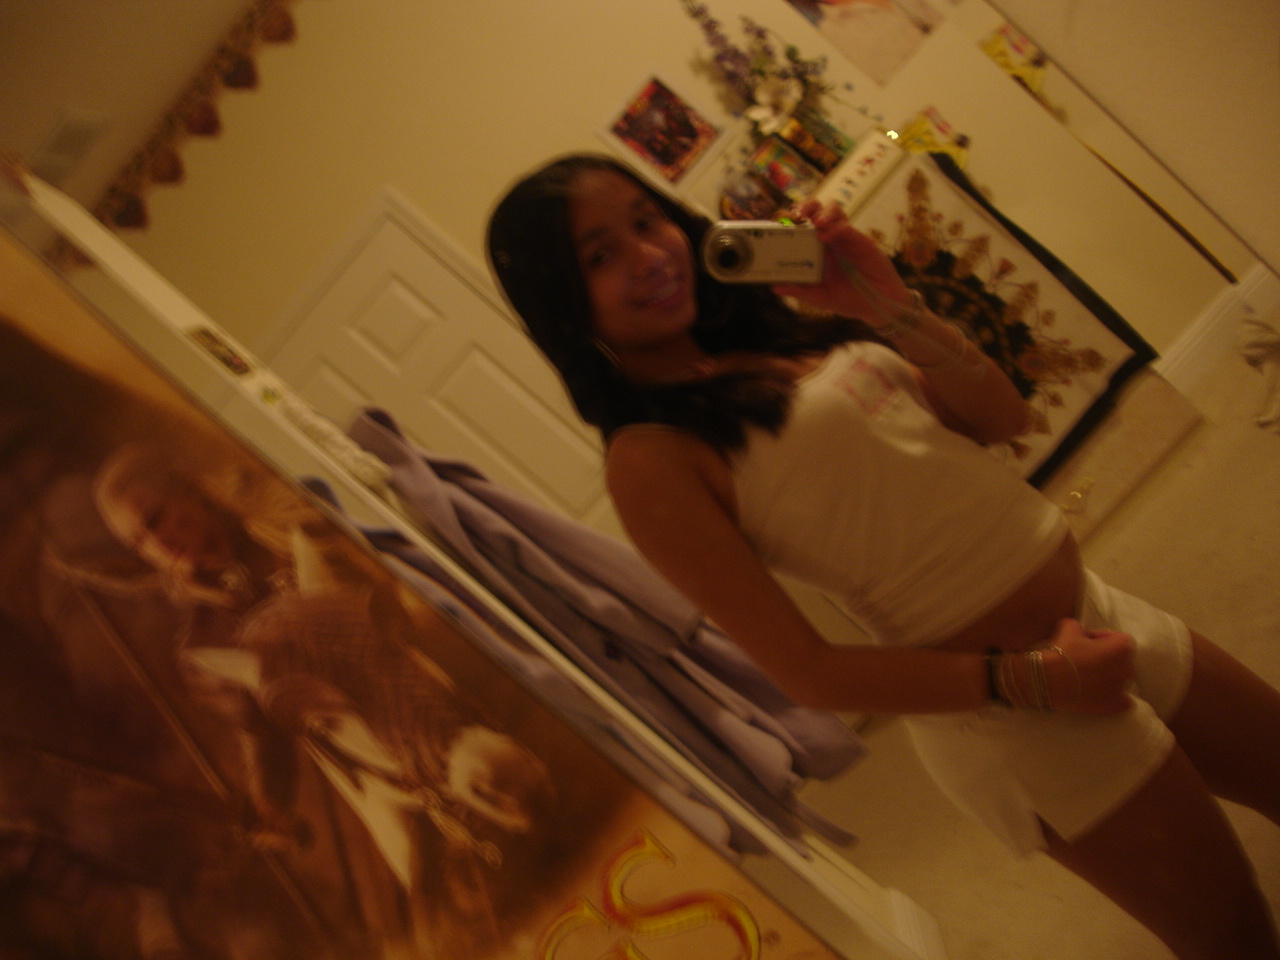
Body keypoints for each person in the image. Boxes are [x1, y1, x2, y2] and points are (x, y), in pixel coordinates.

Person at [485, 152, 1280, 959]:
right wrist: (1034, 679)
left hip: (1100, 613)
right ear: (563, 303)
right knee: (1237, 935)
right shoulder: (649, 458)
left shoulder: (780, 333)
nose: (648, 255)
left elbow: (1001, 418)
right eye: (600, 254)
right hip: (1020, 716)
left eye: (645, 220)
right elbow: (811, 672)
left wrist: (887, 304)